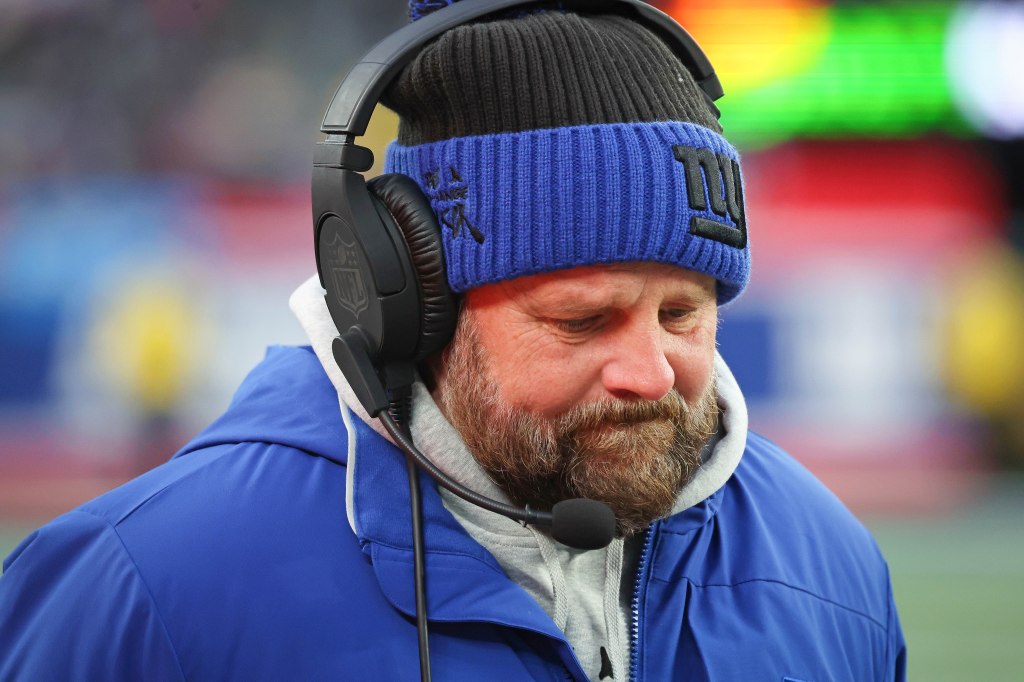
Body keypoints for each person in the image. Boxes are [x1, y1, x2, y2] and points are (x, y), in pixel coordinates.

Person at [0, 1, 906, 680]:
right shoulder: (147, 588)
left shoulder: (828, 562)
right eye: (580, 321)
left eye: (684, 316)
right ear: (407, 302)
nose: (648, 373)